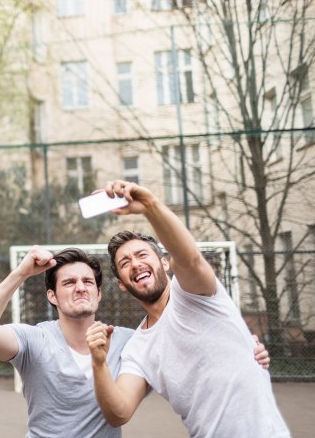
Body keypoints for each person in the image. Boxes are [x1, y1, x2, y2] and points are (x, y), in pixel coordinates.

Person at [0, 245, 269, 438]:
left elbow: (193, 352)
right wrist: (20, 273)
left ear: (99, 293)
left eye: (87, 282)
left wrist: (244, 349)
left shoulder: (131, 342)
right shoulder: (33, 339)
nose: (80, 288)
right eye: (69, 282)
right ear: (52, 296)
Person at [86, 180, 290, 437]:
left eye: (142, 255)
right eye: (125, 262)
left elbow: (189, 258)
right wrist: (99, 363)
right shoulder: (138, 349)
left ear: (164, 264)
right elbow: (119, 413)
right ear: (122, 285)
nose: (135, 264)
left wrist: (150, 205)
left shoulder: (194, 294)